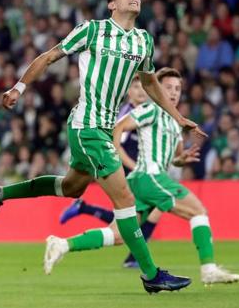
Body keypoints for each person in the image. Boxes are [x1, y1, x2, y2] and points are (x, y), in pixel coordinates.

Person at [0, 0, 207, 293]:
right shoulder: (92, 30)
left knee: (70, 187)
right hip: (87, 126)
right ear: (112, 4)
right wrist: (19, 87)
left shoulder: (143, 41)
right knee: (125, 200)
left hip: (101, 128)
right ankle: (152, 275)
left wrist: (179, 117)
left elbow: (151, 83)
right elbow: (49, 56)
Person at [44, 68, 239, 285]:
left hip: (141, 181)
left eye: (177, 88)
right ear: (157, 90)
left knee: (118, 235)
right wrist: (115, 150)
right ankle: (209, 269)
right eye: (167, 88)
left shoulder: (175, 122)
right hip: (150, 176)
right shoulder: (152, 109)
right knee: (198, 212)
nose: (174, 93)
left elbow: (173, 158)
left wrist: (181, 159)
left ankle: (62, 244)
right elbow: (120, 126)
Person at [59, 75, 163, 269]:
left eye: (143, 87)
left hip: (133, 171)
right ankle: (135, 259)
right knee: (143, 214)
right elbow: (116, 147)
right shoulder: (126, 115)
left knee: (130, 219)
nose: (140, 91)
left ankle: (84, 210)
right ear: (128, 91)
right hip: (125, 171)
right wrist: (134, 167)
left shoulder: (142, 112)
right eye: (135, 87)